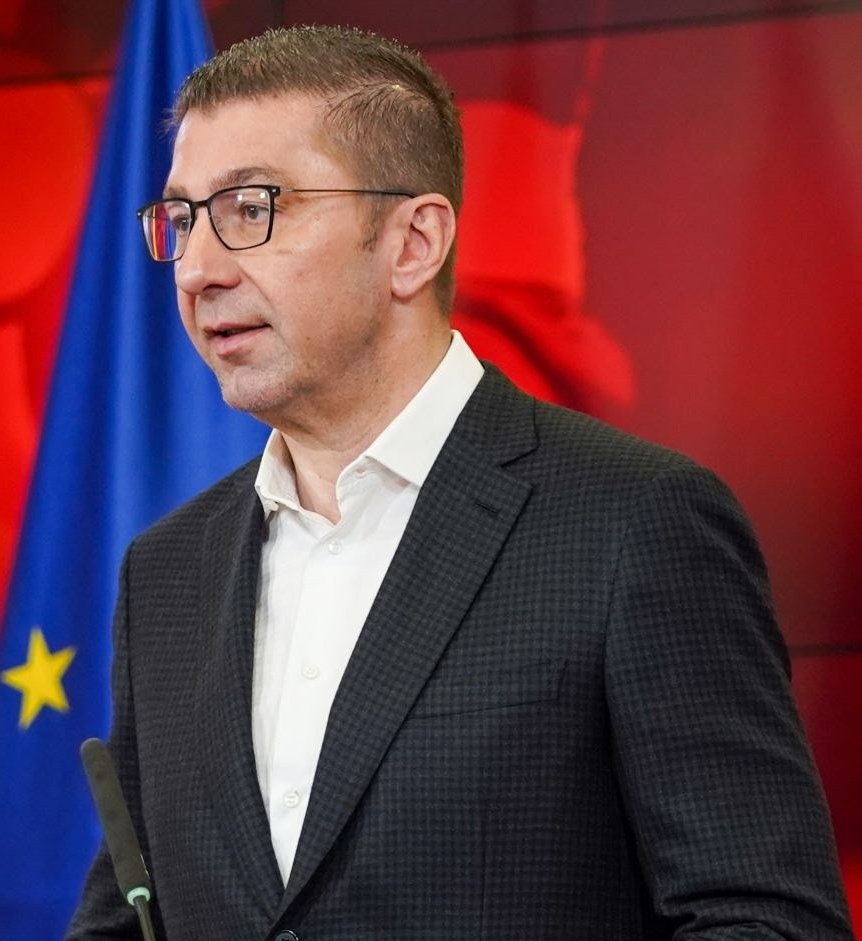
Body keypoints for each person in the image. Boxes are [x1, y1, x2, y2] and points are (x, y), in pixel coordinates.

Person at [66, 24, 852, 941]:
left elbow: (763, 920)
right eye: (181, 219)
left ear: (412, 242)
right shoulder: (166, 572)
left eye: (251, 208)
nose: (199, 269)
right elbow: (124, 919)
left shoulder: (633, 523)